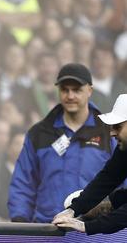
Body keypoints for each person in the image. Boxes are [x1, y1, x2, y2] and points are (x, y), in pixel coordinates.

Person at [8, 63, 117, 223]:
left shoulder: (108, 132)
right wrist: (20, 222)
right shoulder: (39, 133)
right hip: (48, 230)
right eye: (65, 89)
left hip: (93, 232)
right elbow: (23, 184)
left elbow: (122, 182)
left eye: (77, 90)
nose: (70, 95)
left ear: (90, 91)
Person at [53, 94, 127, 234]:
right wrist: (74, 210)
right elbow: (108, 177)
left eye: (117, 126)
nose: (112, 133)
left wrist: (87, 226)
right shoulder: (125, 148)